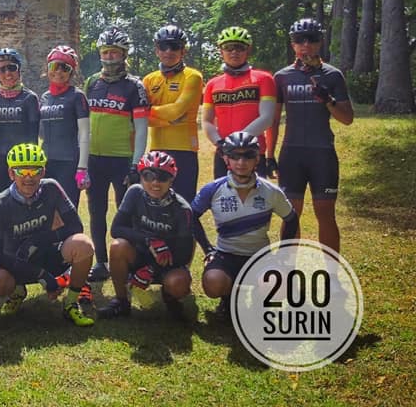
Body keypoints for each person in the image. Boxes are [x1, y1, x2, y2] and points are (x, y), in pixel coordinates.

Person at [0, 144, 95, 327]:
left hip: (48, 255)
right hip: (16, 264)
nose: (29, 177)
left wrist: (38, 240)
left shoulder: (51, 187)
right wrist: (41, 275)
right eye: (22, 171)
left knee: (83, 245)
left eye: (35, 171)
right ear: (11, 174)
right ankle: (17, 292)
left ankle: (71, 303)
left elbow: (76, 226)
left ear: (43, 172)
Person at [268, 18, 353, 253]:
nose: (306, 45)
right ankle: (287, 267)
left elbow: (347, 118)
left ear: (320, 42)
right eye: (299, 40)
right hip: (292, 153)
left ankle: (332, 269)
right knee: (290, 214)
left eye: (312, 39)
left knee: (325, 213)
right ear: (292, 44)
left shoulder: (333, 75)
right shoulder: (282, 76)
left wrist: (328, 99)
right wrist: (269, 155)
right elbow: (273, 120)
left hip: (322, 154)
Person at [191, 131, 298, 317]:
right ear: (226, 159)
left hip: (260, 256)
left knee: (280, 284)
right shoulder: (213, 189)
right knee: (213, 282)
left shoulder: (270, 191)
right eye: (235, 156)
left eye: (248, 156)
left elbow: (291, 218)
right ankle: (229, 299)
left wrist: (282, 255)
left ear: (257, 159)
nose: (241, 162)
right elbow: (191, 217)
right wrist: (208, 249)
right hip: (226, 255)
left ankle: (258, 302)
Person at [84, 26, 149, 283]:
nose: (109, 57)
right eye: (105, 52)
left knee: (127, 214)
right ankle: (101, 262)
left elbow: (142, 129)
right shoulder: (92, 82)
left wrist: (136, 164)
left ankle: (129, 262)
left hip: (123, 159)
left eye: (114, 52)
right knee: (96, 211)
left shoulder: (135, 86)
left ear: (124, 54)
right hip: (94, 159)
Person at [96, 151, 194, 320]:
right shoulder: (135, 193)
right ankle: (121, 301)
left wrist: (152, 268)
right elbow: (116, 229)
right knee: (118, 246)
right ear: (141, 177)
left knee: (179, 283)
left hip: (168, 261)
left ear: (172, 179)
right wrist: (149, 240)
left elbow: (185, 254)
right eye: (148, 176)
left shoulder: (182, 208)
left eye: (162, 177)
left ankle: (170, 296)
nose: (155, 182)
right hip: (139, 254)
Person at [201, 26, 276, 180]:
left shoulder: (264, 78)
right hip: (224, 154)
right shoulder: (212, 84)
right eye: (228, 48)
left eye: (240, 47)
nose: (234, 52)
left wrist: (238, 142)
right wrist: (221, 144)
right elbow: (206, 121)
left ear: (248, 50)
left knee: (255, 195)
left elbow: (267, 118)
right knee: (222, 195)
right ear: (221, 51)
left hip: (252, 152)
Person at [142, 25, 203, 203]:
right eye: (163, 47)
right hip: (157, 150)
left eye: (174, 47)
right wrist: (170, 119)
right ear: (157, 50)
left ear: (183, 51)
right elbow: (140, 117)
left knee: (184, 203)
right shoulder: (149, 80)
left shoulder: (193, 76)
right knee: (156, 202)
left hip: (185, 150)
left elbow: (177, 110)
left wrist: (151, 113)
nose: (168, 51)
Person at [38, 45, 90, 209]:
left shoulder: (77, 96)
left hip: (69, 163)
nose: (59, 72)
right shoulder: (45, 97)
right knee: (46, 209)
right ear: (47, 68)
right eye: (54, 66)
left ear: (71, 72)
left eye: (65, 68)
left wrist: (82, 168)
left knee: (67, 211)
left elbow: (85, 133)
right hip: (46, 162)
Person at [0, 49, 40, 200]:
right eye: (1, 70)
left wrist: (33, 166)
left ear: (19, 69)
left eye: (11, 68)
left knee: (24, 202)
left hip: (23, 162)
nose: (7, 73)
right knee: (1, 203)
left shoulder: (30, 98)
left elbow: (34, 136)